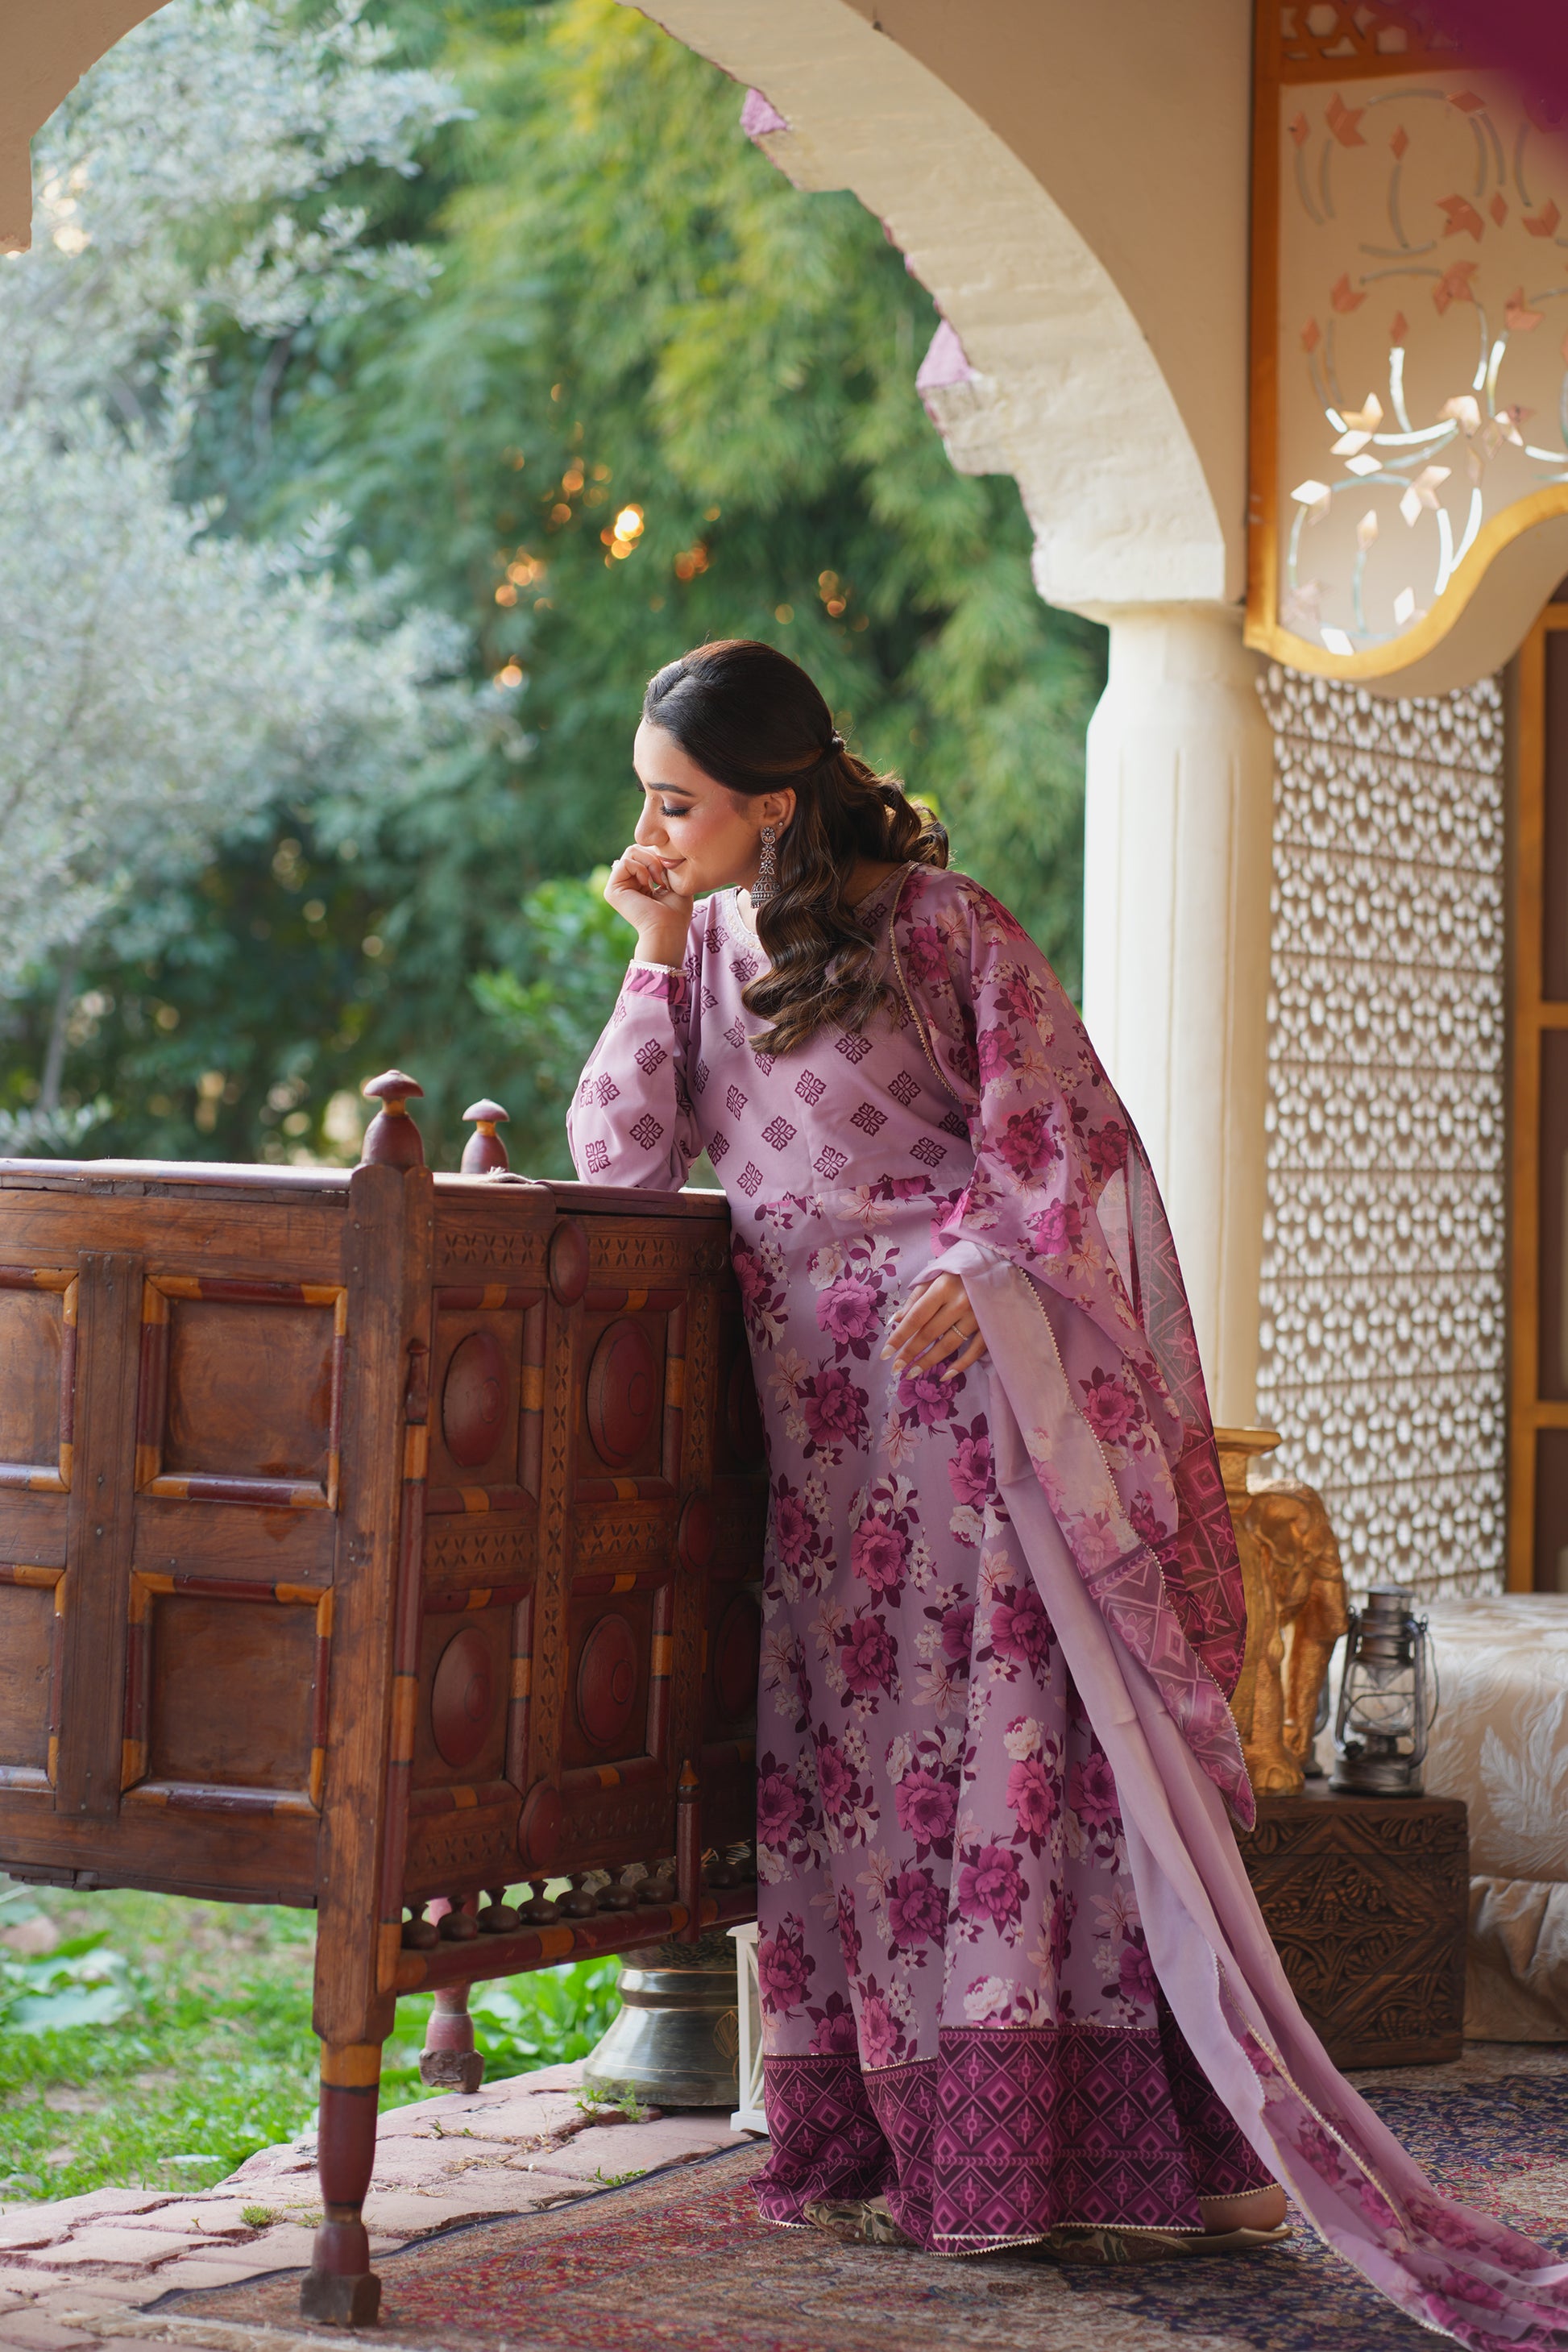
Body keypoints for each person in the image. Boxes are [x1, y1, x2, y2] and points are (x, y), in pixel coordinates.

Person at [569, 639, 1568, 2341]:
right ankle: (908, 2146)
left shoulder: (943, 928)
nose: (650, 835)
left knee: (1021, 1757)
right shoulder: (707, 948)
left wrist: (983, 1266)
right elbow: (620, 1162)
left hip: (970, 1414)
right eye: (651, 805)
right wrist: (652, 953)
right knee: (867, 1775)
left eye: (676, 805)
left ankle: (1110, 2152)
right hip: (816, 1433)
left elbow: (1066, 1148)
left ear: (774, 803)